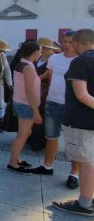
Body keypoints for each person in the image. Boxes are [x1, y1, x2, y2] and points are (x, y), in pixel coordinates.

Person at [51, 28, 94, 217]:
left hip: (82, 121)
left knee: (86, 163)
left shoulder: (81, 61)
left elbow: (82, 95)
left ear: (77, 43)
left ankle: (84, 203)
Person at [31, 31, 80, 185]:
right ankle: (47, 166)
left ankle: (74, 174)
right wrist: (38, 78)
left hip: (72, 106)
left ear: (77, 43)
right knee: (51, 136)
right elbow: (50, 74)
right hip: (53, 102)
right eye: (64, 41)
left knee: (73, 141)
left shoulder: (80, 61)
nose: (66, 45)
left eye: (70, 42)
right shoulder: (54, 58)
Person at [7, 40, 42, 173]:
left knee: (25, 133)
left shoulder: (21, 64)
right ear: (34, 52)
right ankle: (13, 163)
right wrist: (36, 112)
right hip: (26, 105)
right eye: (40, 51)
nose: (41, 53)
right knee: (23, 134)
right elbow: (29, 91)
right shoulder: (28, 67)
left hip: (20, 103)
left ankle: (16, 159)